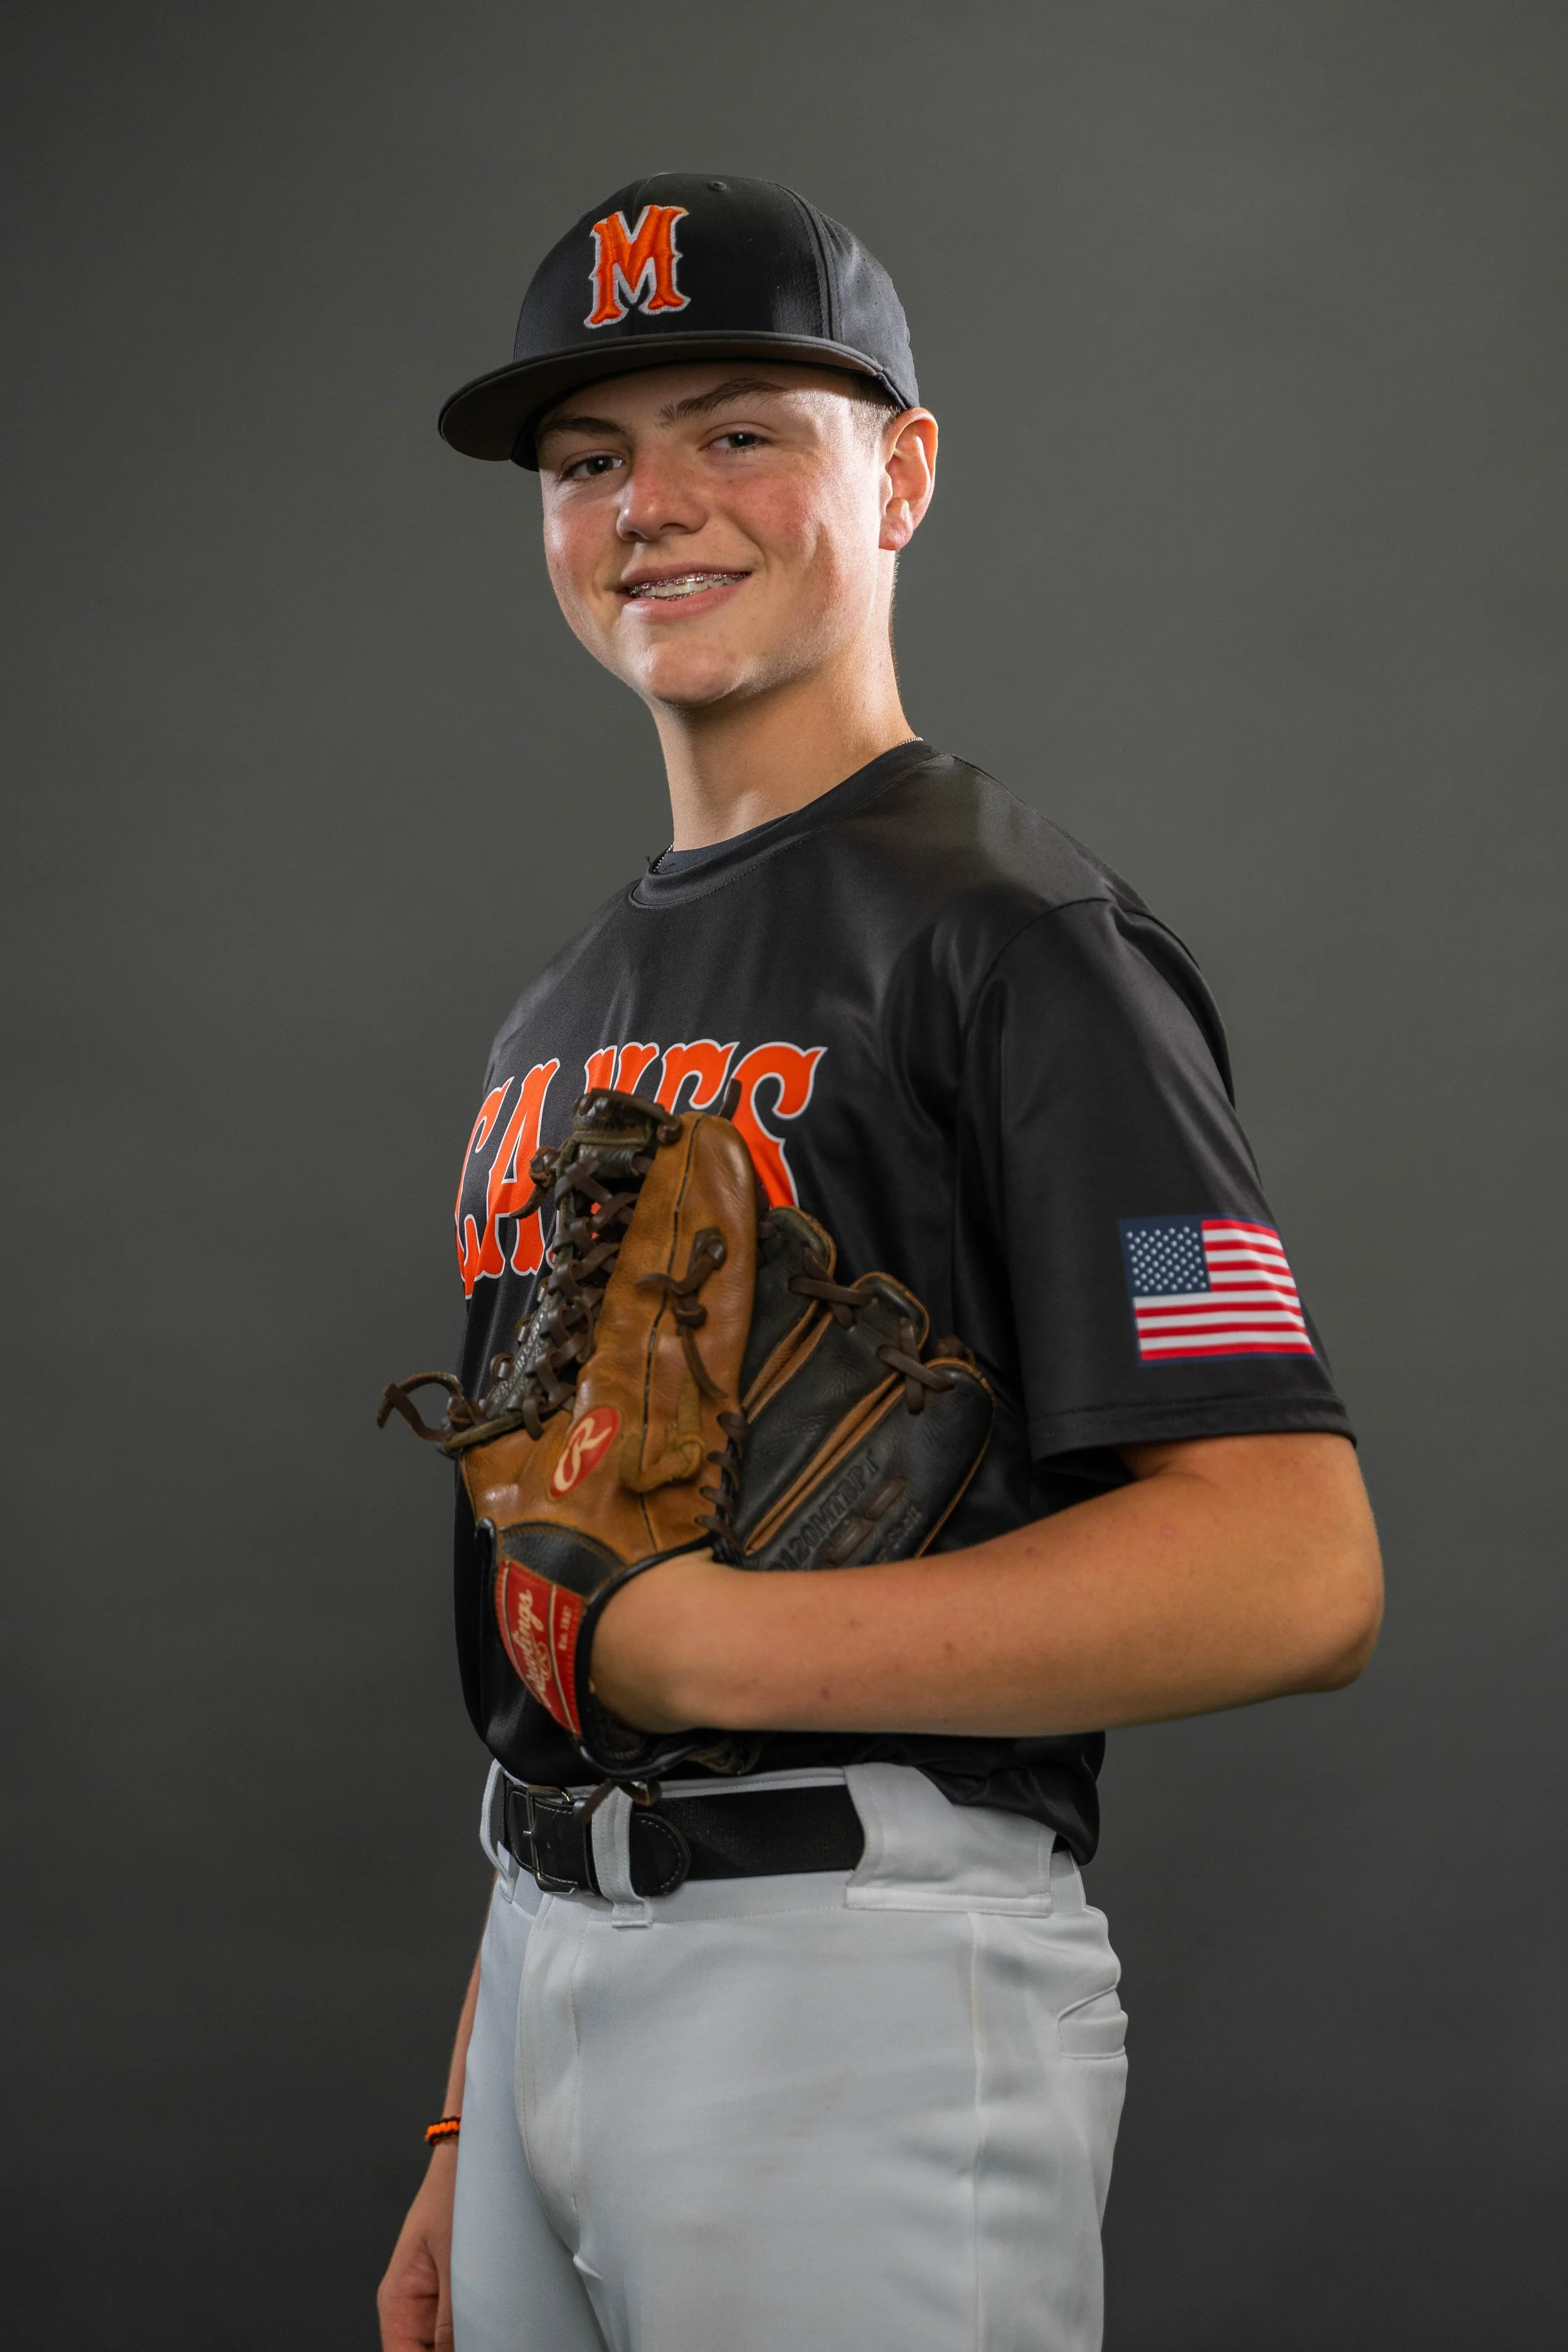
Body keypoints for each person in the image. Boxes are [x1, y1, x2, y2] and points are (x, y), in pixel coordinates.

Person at [376, 172, 1382, 2352]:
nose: (654, 502)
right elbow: (564, 1593)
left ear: (899, 471)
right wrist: (476, 2114)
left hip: (852, 1977)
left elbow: (1293, 1569)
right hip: (547, 1945)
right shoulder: (557, 1011)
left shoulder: (1016, 940)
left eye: (739, 428)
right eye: (585, 459)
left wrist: (716, 1646)